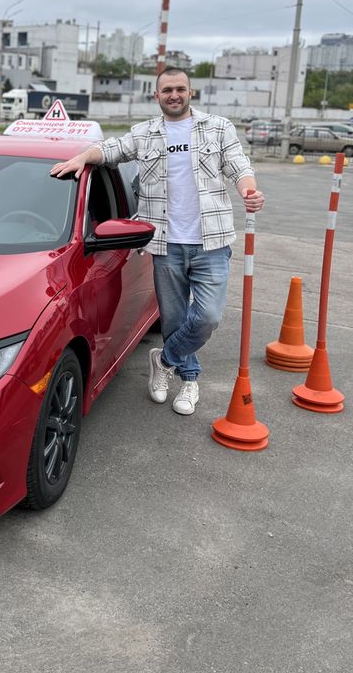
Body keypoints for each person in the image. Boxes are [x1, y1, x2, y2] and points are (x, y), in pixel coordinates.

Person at [50, 67, 265, 416]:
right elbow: (110, 150)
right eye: (167, 90)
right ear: (157, 96)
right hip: (166, 245)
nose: (174, 95)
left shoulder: (218, 127)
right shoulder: (144, 133)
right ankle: (190, 379)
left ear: (191, 92)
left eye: (180, 89)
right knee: (176, 318)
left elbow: (240, 167)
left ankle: (164, 361)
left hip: (211, 241)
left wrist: (249, 191)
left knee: (208, 316)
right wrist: (81, 157)